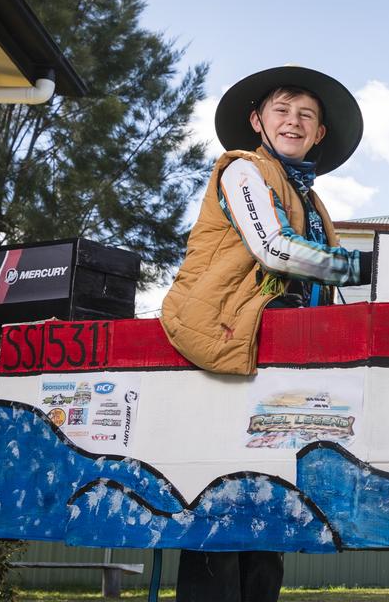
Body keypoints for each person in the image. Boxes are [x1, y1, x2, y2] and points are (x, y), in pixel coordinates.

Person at [159, 66, 371, 602]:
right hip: (222, 344)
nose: (293, 122)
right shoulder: (242, 169)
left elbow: (318, 286)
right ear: (257, 121)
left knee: (268, 506)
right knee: (218, 502)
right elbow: (273, 248)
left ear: (319, 133)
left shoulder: (314, 204)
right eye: (282, 110)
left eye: (307, 116)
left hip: (275, 357)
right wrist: (363, 266)